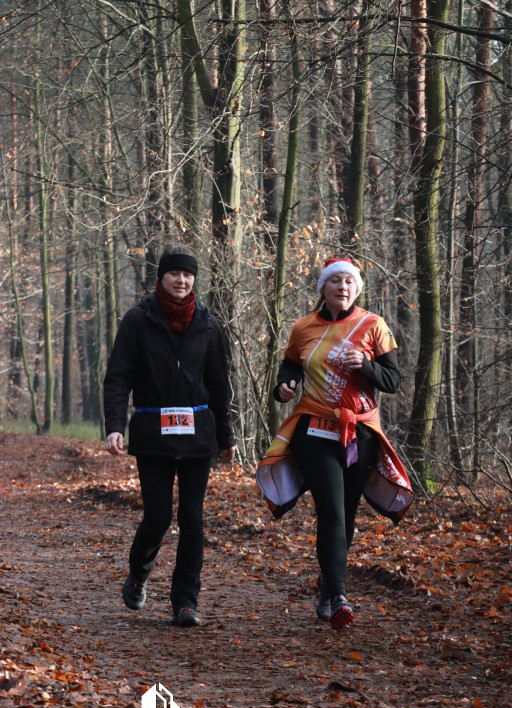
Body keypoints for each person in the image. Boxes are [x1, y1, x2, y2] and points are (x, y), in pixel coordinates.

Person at [256, 256, 413, 630]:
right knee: (330, 509)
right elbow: (290, 365)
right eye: (335, 282)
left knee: (345, 512)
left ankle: (328, 587)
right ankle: (340, 594)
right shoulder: (304, 327)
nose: (342, 287)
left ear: (356, 289)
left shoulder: (373, 326)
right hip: (314, 429)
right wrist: (284, 386)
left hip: (360, 432)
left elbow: (393, 381)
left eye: (349, 283)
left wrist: (366, 365)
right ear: (323, 289)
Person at [104, 244, 236, 628]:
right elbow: (118, 378)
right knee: (159, 516)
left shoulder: (209, 326)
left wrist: (226, 437)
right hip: (153, 436)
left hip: (198, 439)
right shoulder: (137, 320)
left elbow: (219, 385)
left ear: (194, 279)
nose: (181, 280)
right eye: (174, 273)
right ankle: (139, 573)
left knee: (193, 521)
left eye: (188, 274)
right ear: (161, 277)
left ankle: (185, 602)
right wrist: (114, 426)